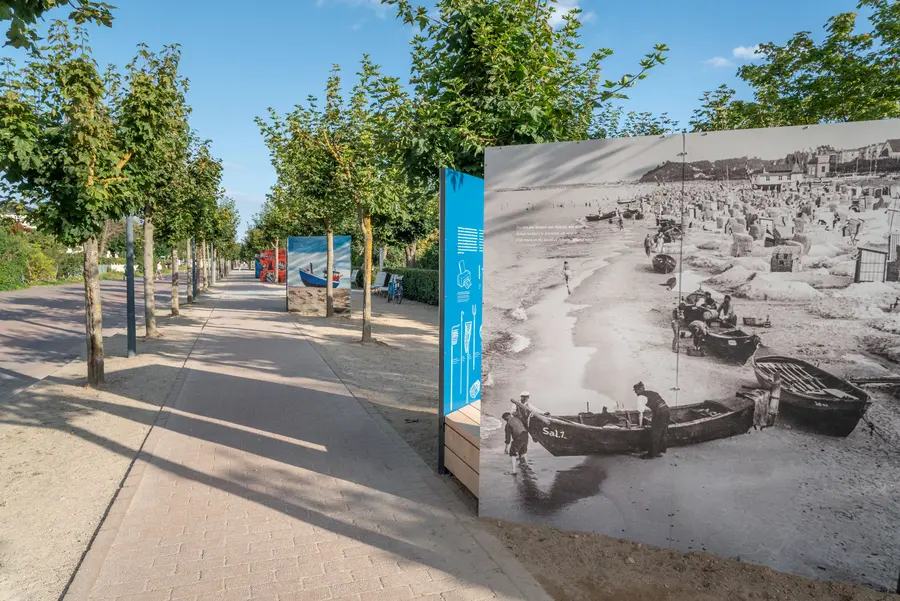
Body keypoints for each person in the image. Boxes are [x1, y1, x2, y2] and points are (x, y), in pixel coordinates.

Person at [633, 382, 670, 459]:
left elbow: (641, 412)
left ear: (640, 389)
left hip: (659, 413)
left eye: (636, 390)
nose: (635, 392)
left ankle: (651, 454)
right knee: (663, 432)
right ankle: (658, 452)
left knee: (655, 433)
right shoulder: (652, 392)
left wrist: (640, 425)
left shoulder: (640, 397)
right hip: (667, 411)